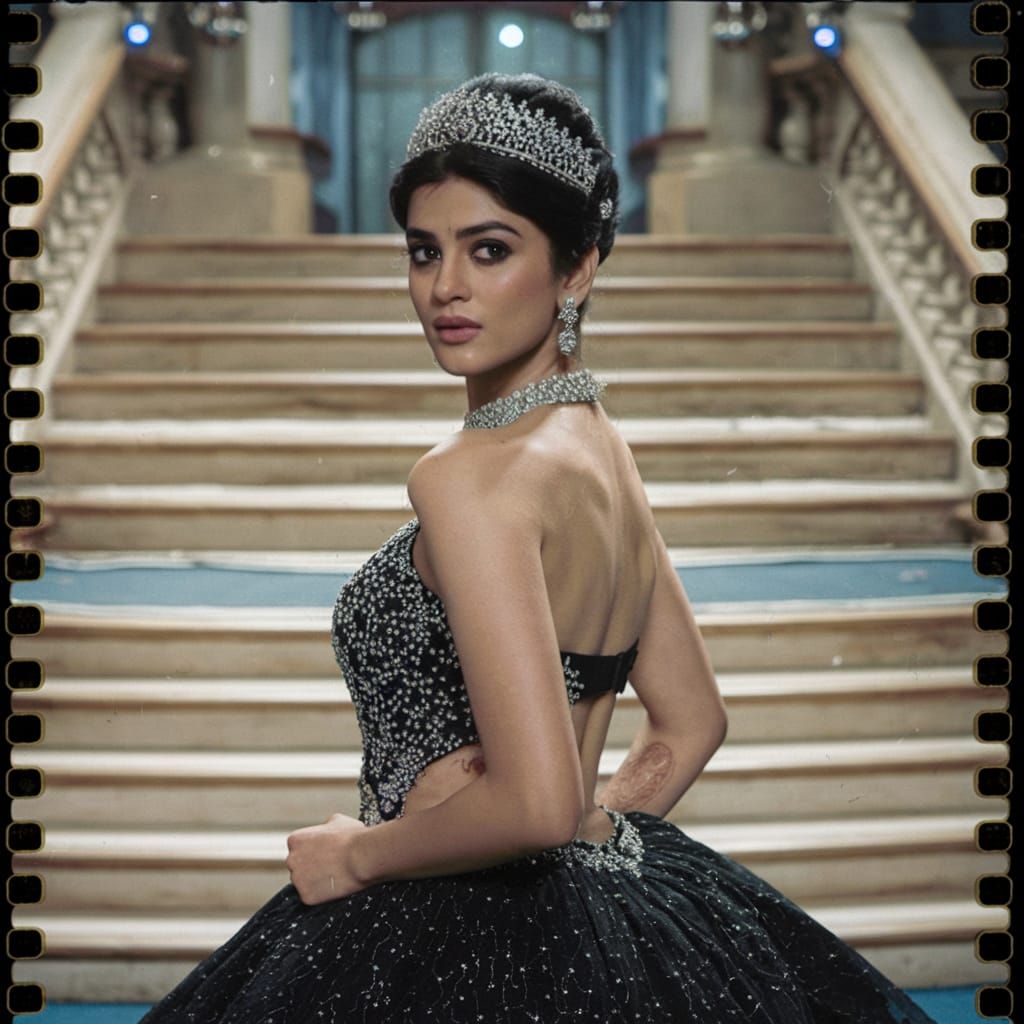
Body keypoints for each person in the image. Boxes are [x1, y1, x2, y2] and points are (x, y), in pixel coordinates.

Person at [140, 73, 937, 1023]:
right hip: (605, 898)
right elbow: (690, 724)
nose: (445, 288)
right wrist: (596, 840)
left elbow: (533, 806)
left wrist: (360, 854)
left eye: (490, 250)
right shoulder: (599, 443)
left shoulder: (470, 475)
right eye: (424, 251)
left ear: (578, 267)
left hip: (450, 924)